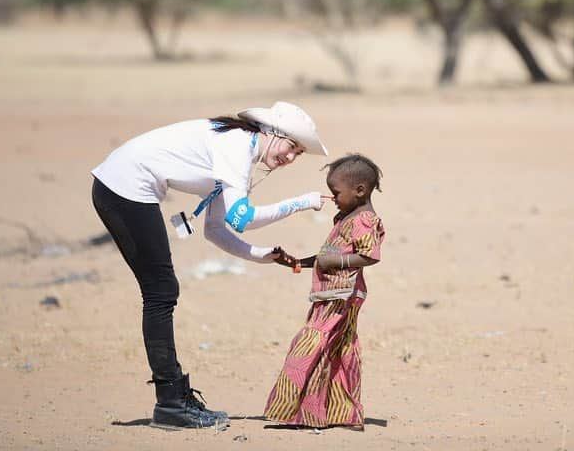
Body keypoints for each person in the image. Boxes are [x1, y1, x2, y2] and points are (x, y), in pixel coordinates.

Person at [90, 101, 328, 429]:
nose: (290, 158)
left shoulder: (237, 152)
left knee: (161, 290)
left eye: (298, 153)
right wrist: (302, 202)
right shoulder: (236, 146)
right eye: (291, 146)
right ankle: (171, 402)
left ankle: (172, 398)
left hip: (121, 186)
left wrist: (262, 255)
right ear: (271, 133)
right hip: (123, 187)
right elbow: (241, 219)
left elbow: (216, 230)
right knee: (161, 291)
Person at [264, 153, 386, 430]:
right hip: (329, 296)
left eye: (335, 192)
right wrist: (299, 262)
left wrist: (338, 262)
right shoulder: (345, 217)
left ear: (360, 190)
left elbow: (370, 255)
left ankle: (295, 410)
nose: (332, 198)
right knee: (338, 350)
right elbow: (327, 256)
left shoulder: (364, 220)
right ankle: (339, 414)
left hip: (342, 297)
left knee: (309, 345)